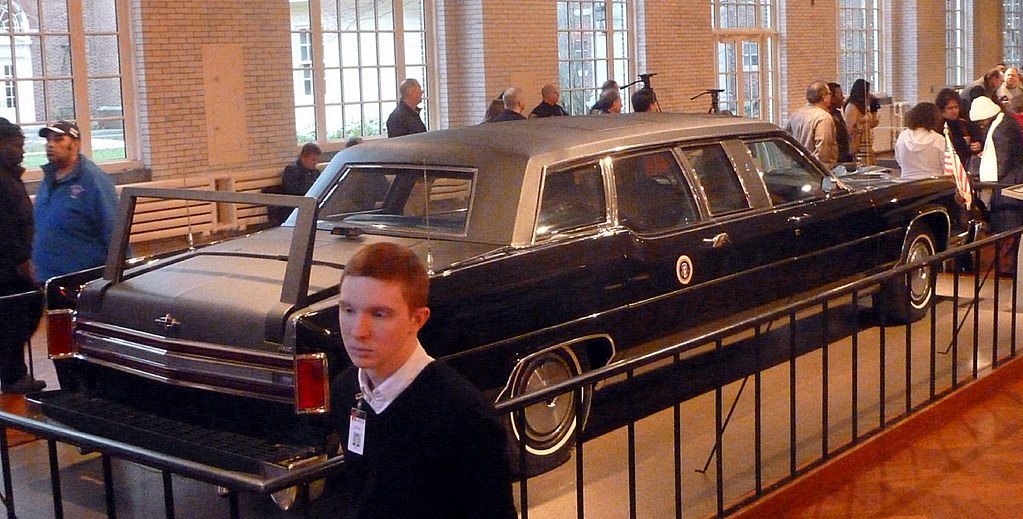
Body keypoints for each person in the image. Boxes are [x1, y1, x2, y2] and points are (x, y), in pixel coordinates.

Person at [323, 242, 517, 518]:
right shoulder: (345, 390)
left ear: (417, 319)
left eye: (379, 314)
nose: (358, 331)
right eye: (348, 310)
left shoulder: (465, 414)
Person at [33, 120, 121, 283]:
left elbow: (115, 232)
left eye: (58, 139)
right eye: (48, 140)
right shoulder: (49, 178)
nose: (50, 145)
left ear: (75, 144)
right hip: (46, 277)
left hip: (79, 281)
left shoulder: (93, 180)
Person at [0, 117, 45, 394]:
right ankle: (13, 374)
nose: (23, 150)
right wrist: (20, 261)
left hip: (13, 265)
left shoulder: (9, 177)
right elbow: (4, 227)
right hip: (8, 270)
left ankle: (13, 371)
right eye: (17, 145)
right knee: (15, 320)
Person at [970, 95, 1023, 234]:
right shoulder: (1005, 121)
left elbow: (1000, 166)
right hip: (1012, 180)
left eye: (982, 121)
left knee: (1005, 234)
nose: (981, 125)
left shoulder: (1000, 131)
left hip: (1006, 188)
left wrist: (976, 166)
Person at [784, 80, 838, 166]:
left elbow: (786, 144)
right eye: (829, 94)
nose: (830, 96)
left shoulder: (795, 115)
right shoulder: (823, 117)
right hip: (814, 171)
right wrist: (817, 169)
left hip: (797, 167)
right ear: (824, 97)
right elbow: (822, 148)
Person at [894, 102, 946, 180]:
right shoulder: (938, 139)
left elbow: (899, 161)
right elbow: (946, 165)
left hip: (906, 183)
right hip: (934, 184)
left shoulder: (902, 136)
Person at [935, 88, 981, 169]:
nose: (954, 111)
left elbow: (976, 138)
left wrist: (978, 145)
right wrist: (962, 142)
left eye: (956, 107)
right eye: (950, 108)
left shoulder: (963, 123)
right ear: (942, 110)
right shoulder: (937, 126)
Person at [843, 79, 880, 165]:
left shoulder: (863, 107)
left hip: (867, 143)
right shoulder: (851, 107)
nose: (869, 94)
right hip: (858, 146)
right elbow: (850, 129)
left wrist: (874, 108)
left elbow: (870, 122)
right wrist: (862, 124)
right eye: (867, 91)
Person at [827, 82, 854, 163]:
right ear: (832, 97)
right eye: (840, 95)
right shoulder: (827, 117)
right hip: (835, 161)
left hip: (845, 158)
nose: (843, 98)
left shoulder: (837, 114)